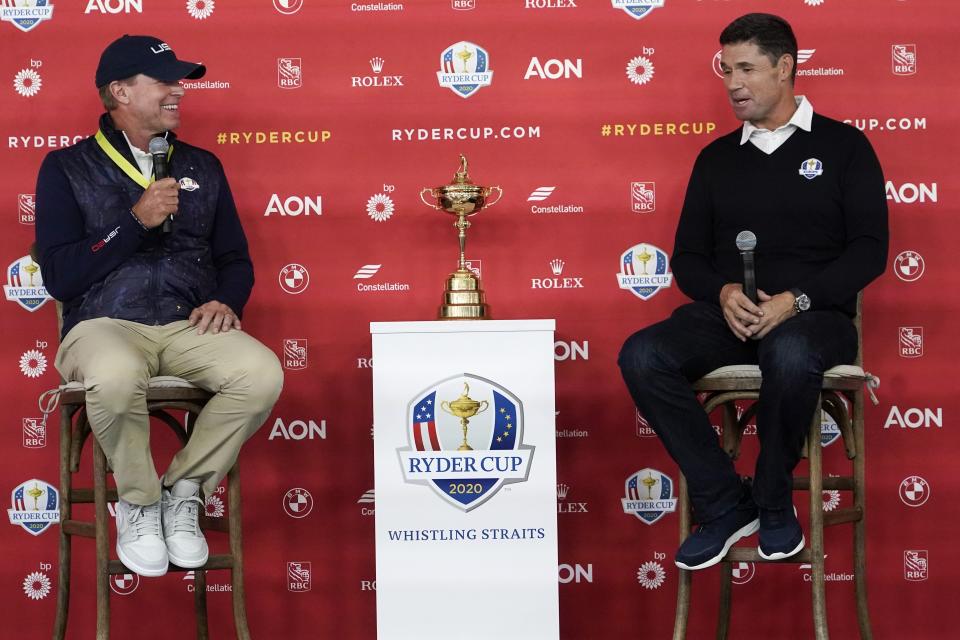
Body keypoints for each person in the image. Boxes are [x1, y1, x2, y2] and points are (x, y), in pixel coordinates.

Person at [618, 13, 888, 571]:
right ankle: (724, 503)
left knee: (790, 351)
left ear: (785, 67)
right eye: (725, 69)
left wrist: (796, 301)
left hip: (815, 317)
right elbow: (686, 259)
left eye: (746, 68)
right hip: (731, 320)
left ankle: (771, 496)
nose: (732, 83)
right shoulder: (716, 158)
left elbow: (868, 251)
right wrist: (721, 294)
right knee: (642, 354)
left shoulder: (845, 147)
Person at [35, 35, 284, 578]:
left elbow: (234, 259)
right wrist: (134, 223)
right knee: (115, 372)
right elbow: (58, 275)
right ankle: (139, 503)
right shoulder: (66, 168)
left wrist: (226, 299)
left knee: (260, 372)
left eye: (180, 81)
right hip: (102, 325)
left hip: (185, 325)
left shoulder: (202, 165)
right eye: (164, 81)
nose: (178, 91)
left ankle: (183, 491)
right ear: (119, 90)